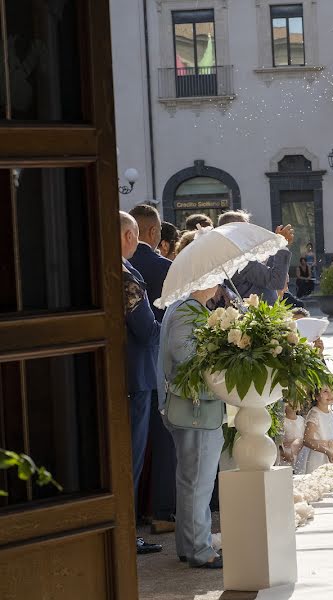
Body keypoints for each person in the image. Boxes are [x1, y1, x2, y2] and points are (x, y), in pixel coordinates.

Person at [157, 282, 224, 568]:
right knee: (198, 481)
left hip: (192, 409)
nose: (219, 283)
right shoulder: (187, 310)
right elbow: (187, 357)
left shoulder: (185, 307)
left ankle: (189, 546)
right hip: (195, 409)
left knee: (190, 480)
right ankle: (199, 549)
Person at [127, 204, 176, 535]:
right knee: (147, 447)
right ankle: (156, 513)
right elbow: (146, 328)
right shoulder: (140, 271)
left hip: (125, 369)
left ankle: (134, 520)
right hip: (147, 369)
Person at [120, 212, 163, 554]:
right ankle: (127, 532)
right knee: (130, 458)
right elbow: (146, 328)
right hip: (136, 375)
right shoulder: (125, 273)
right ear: (129, 237)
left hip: (124, 375)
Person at [217, 210, 294, 305]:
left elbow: (267, 274)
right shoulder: (237, 259)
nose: (250, 232)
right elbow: (276, 282)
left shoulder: (235, 254)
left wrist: (278, 246)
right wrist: (282, 246)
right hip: (255, 315)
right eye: (246, 228)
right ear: (233, 231)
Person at [301, 385, 333, 473]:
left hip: (329, 455)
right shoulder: (315, 413)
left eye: (331, 391)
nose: (330, 394)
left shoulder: (330, 413)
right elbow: (307, 440)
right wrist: (326, 450)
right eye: (325, 391)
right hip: (318, 457)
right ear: (316, 396)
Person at [281, 403, 305, 472]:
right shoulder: (283, 421)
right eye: (290, 403)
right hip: (287, 456)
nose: (294, 404)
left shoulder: (301, 419)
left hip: (301, 454)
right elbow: (278, 442)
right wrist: (285, 454)